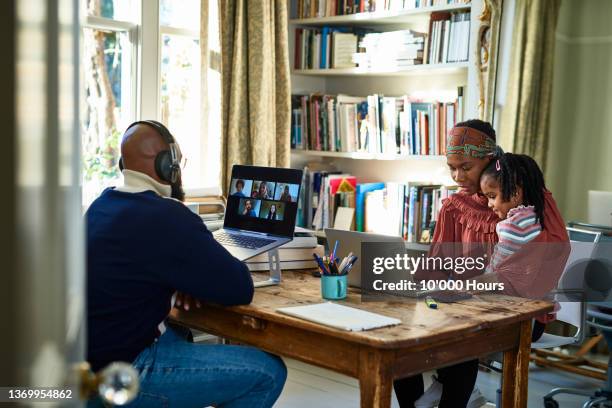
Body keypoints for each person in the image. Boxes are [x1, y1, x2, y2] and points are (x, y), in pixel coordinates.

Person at [86, 121, 286, 408]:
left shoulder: (102, 205)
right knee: (268, 372)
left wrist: (183, 278)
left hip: (86, 363)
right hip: (122, 372)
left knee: (180, 333)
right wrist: (193, 271)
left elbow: (137, 269)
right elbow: (240, 287)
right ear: (168, 165)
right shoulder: (167, 216)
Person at [394, 120, 569, 408]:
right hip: (466, 300)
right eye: (451, 167)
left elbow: (551, 251)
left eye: (465, 167)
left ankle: (452, 397)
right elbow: (437, 262)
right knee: (402, 331)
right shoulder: (453, 206)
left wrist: (475, 286)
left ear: (490, 160)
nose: (457, 175)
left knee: (460, 335)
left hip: (520, 311)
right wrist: (418, 290)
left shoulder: (527, 197)